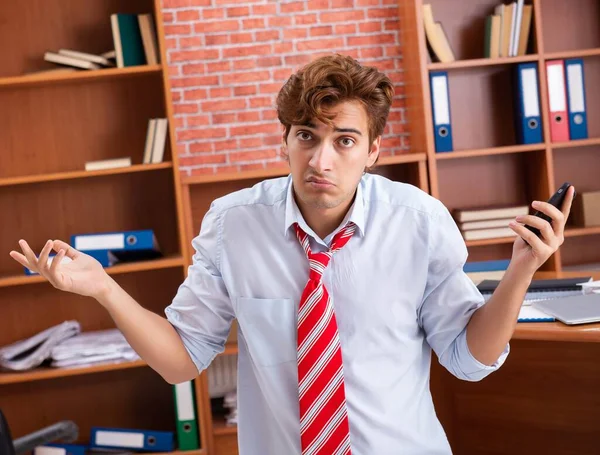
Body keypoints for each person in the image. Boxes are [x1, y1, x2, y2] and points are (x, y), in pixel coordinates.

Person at [10, 54, 575, 455]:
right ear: (284, 139)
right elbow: (182, 359)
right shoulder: (234, 225)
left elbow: (468, 359)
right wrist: (105, 288)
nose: (321, 160)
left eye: (344, 140)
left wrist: (521, 270)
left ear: (373, 150)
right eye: (306, 135)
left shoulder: (418, 221)